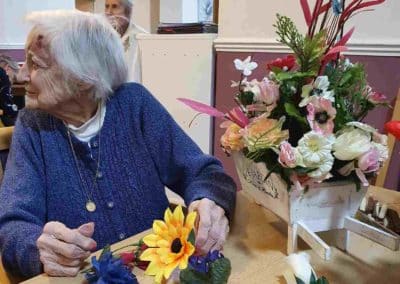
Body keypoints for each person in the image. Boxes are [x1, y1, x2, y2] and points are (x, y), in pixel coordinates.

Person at [0, 10, 236, 280]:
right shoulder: (32, 126)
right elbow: (13, 225)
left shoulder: (134, 104)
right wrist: (37, 248)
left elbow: (204, 172)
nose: (20, 76)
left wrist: (209, 202)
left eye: (35, 65)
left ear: (82, 77)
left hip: (157, 274)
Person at [105, 0, 147, 83]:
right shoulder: (102, 36)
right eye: (106, 6)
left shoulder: (142, 38)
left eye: (114, 6)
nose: (109, 12)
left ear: (128, 11)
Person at [0, 54, 20, 126]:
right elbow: (7, 107)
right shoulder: (3, 77)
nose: (12, 82)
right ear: (8, 68)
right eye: (13, 78)